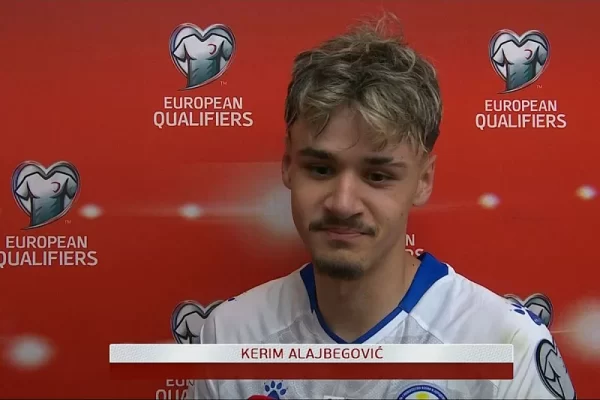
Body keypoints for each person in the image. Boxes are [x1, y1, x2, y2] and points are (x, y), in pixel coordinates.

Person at [186, 14, 576, 400]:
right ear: (288, 165)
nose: (343, 203)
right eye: (320, 169)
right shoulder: (230, 336)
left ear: (423, 180)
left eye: (377, 176)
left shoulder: (507, 348)